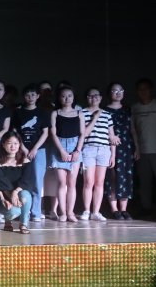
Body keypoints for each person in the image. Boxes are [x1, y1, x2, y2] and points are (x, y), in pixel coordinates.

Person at [131, 78, 156, 217]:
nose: (143, 91)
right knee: (144, 181)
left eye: (146, 88)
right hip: (141, 151)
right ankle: (146, 207)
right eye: (140, 89)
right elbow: (134, 129)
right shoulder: (135, 107)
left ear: (151, 90)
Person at [14, 84, 50, 222]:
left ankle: (36, 212)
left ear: (38, 96)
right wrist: (23, 148)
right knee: (22, 180)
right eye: (27, 95)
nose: (30, 97)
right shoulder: (18, 112)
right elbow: (16, 132)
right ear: (24, 97)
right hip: (21, 149)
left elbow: (45, 133)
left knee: (37, 181)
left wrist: (35, 149)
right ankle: (24, 211)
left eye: (33, 94)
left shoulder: (42, 113)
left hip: (39, 150)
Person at [49, 86, 85, 223]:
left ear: (74, 97)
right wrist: (62, 151)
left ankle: (70, 213)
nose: (67, 98)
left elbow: (82, 134)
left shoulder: (79, 113)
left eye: (69, 95)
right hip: (59, 146)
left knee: (72, 183)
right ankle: (62, 212)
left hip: (75, 146)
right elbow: (53, 134)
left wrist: (77, 151)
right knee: (61, 182)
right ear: (59, 98)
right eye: (63, 96)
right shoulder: (55, 113)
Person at [80, 87, 115, 222]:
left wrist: (113, 155)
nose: (93, 98)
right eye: (90, 96)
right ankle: (86, 210)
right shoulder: (82, 113)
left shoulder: (107, 114)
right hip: (88, 148)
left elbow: (111, 136)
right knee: (88, 181)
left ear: (100, 98)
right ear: (87, 98)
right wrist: (95, 118)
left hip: (104, 150)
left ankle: (96, 212)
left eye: (96, 96)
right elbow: (84, 133)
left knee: (99, 182)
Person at [104, 82, 136, 220]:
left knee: (126, 176)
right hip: (109, 146)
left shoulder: (128, 109)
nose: (118, 93)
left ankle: (124, 209)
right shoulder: (104, 110)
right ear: (109, 93)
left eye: (120, 90)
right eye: (114, 90)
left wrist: (137, 147)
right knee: (112, 177)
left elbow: (132, 129)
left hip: (126, 146)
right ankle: (114, 209)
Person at [0, 130, 34, 233]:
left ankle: (23, 224)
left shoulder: (25, 161)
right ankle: (7, 221)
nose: (13, 146)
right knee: (13, 211)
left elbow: (27, 181)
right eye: (9, 143)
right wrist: (5, 197)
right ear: (3, 144)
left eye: (16, 143)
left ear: (19, 144)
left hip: (19, 196)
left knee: (25, 194)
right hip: (3, 197)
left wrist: (15, 192)